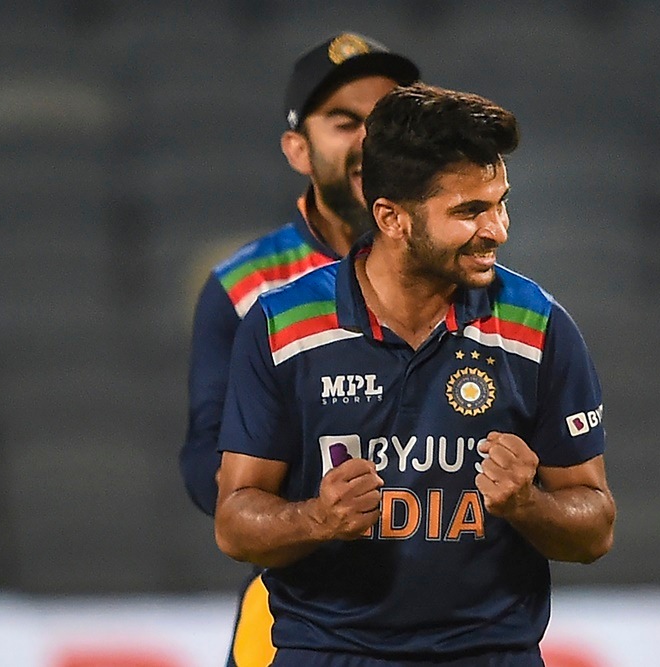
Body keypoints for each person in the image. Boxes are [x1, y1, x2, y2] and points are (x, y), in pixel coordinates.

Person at [214, 82, 616, 666]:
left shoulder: (537, 325)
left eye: (500, 203)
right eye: (469, 211)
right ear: (391, 218)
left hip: (491, 654)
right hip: (329, 652)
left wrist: (529, 504)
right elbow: (234, 524)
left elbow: (596, 527)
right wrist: (317, 519)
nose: (498, 229)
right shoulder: (283, 325)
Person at [180, 33, 418, 666]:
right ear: (297, 148)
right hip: (300, 604)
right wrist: (312, 511)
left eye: (386, 122)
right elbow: (206, 456)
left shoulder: (468, 276)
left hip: (451, 609)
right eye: (345, 123)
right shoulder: (246, 288)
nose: (369, 141)